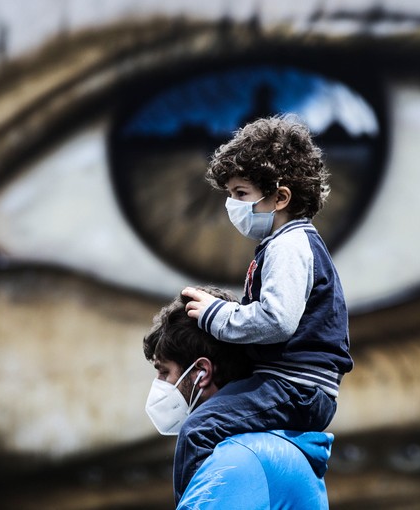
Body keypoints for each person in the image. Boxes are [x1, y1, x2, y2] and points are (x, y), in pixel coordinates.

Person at [178, 114, 353, 501]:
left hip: (294, 388)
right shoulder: (286, 244)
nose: (231, 205)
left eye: (241, 194)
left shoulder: (289, 246)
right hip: (290, 385)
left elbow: (277, 319)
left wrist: (214, 315)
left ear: (280, 197)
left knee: (198, 430)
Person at [143, 288, 332, 509]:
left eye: (164, 372)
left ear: (201, 373)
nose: (159, 384)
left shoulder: (239, 460)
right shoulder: (277, 446)